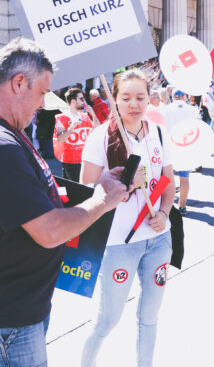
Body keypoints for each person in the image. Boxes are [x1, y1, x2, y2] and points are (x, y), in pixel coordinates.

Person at [0, 37, 128, 367]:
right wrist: (102, 201)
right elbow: (48, 230)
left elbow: (32, 197)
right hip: (12, 321)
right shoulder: (4, 145)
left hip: (22, 312)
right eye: (42, 92)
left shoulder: (13, 136)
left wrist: (97, 185)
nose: (44, 103)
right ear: (18, 83)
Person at [80, 70, 175, 366]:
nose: (134, 104)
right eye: (126, 98)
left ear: (149, 98)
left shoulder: (158, 132)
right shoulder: (100, 138)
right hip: (119, 243)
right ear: (115, 101)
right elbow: (85, 192)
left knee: (150, 317)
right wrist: (114, 185)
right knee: (108, 319)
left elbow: (169, 181)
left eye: (140, 97)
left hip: (159, 240)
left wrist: (163, 213)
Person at [164, 89, 200, 215]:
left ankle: (166, 207)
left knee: (167, 178)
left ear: (173, 97)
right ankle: (182, 206)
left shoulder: (166, 110)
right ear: (184, 97)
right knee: (184, 178)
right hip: (185, 146)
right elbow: (198, 128)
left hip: (169, 147)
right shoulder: (192, 110)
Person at [53, 87, 99, 182]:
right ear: (73, 101)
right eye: (81, 99)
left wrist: (93, 114)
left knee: (79, 189)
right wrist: (72, 125)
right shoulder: (63, 117)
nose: (84, 101)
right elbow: (60, 139)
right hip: (71, 161)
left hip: (86, 159)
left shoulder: (85, 116)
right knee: (78, 190)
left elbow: (98, 128)